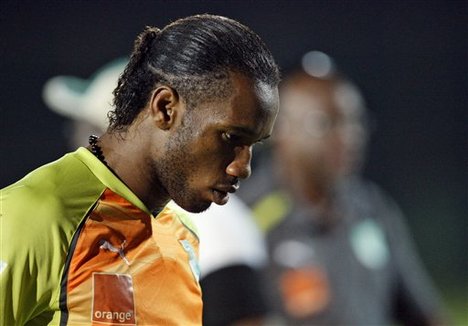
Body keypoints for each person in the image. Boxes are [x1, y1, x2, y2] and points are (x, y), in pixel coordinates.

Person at [0, 14, 280, 325]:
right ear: (164, 108)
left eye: (255, 144)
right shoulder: (38, 215)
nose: (244, 168)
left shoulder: (183, 234)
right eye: (230, 137)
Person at [240, 51, 447, 325]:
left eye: (355, 122)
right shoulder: (247, 218)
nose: (349, 137)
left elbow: (422, 313)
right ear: (280, 129)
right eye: (326, 123)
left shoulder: (371, 208)